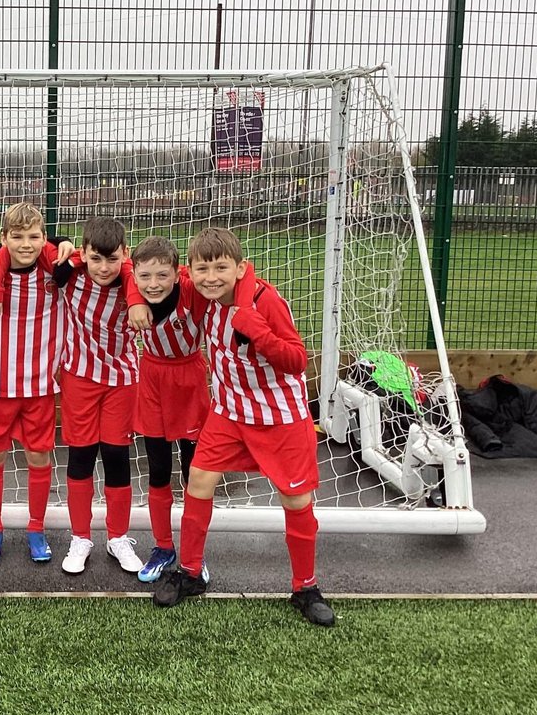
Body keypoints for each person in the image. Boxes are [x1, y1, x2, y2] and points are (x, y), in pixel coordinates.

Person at [151, 227, 335, 627]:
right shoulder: (202, 295)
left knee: (296, 500)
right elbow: (148, 274)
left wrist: (258, 331)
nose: (211, 277)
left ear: (240, 268)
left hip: (279, 418)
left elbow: (297, 361)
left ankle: (306, 587)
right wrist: (135, 301)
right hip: (229, 412)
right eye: (203, 269)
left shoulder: (266, 301)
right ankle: (191, 572)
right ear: (191, 272)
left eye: (221, 268)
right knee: (199, 481)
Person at [0, 202, 72, 563]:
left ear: (45, 238)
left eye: (34, 236)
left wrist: (64, 243)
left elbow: (94, 259)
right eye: (17, 237)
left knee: (39, 457)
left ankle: (36, 528)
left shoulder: (56, 272)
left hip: (40, 388)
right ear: (3, 238)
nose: (26, 244)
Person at [53, 216, 147, 576]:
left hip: (121, 381)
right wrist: (64, 245)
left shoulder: (135, 282)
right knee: (81, 456)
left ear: (125, 254)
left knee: (116, 457)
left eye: (112, 259)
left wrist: (136, 296)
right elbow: (38, 246)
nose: (104, 268)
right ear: (83, 253)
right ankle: (80, 537)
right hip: (79, 377)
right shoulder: (71, 275)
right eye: (96, 259)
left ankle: (118, 537)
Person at [124, 236, 213, 584]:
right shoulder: (133, 287)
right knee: (158, 470)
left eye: (163, 275)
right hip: (152, 381)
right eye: (145, 277)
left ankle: (193, 553)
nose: (153, 284)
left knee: (195, 475)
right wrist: (134, 298)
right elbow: (122, 269)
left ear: (178, 274)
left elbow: (231, 276)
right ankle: (163, 547)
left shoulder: (192, 290)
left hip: (189, 382)